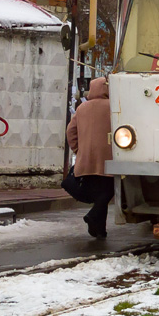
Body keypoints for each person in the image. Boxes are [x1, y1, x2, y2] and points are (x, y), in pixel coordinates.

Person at [65, 76, 113, 238]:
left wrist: (79, 150)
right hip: (108, 158)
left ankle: (99, 230)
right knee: (108, 189)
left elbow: (70, 132)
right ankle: (93, 217)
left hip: (86, 160)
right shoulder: (113, 107)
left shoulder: (82, 108)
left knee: (99, 192)